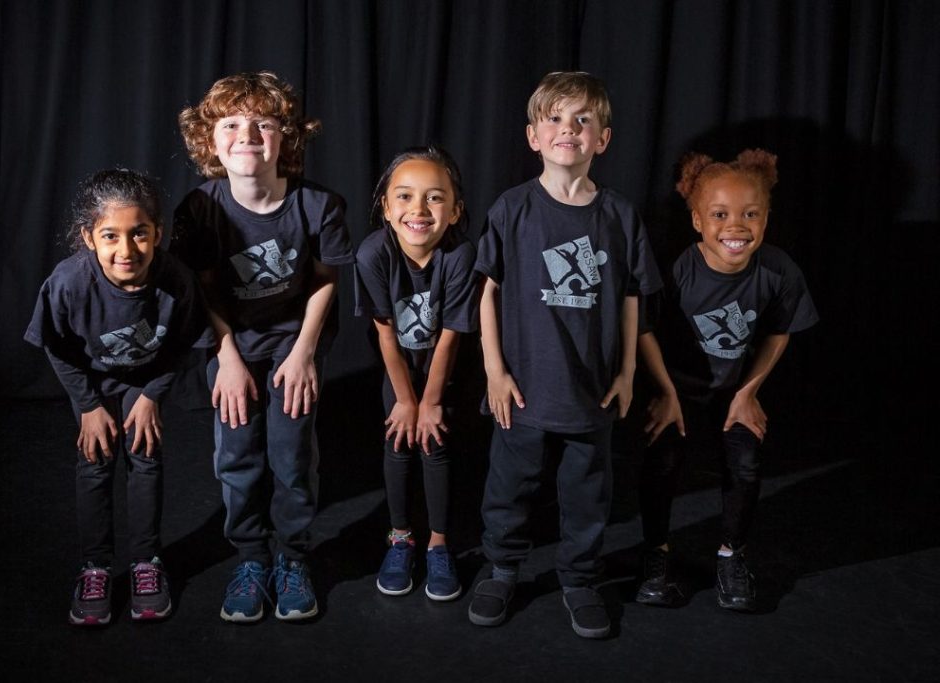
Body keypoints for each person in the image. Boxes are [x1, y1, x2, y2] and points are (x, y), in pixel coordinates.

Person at [468, 71, 662, 638]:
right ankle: (502, 569)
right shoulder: (512, 208)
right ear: (534, 136)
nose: (568, 129)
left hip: (591, 388)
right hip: (524, 386)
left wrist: (628, 372)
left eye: (583, 119)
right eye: (554, 118)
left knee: (587, 493)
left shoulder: (619, 215)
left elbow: (631, 295)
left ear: (603, 138)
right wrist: (494, 371)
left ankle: (579, 578)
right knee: (510, 487)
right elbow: (487, 291)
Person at [171, 71, 353, 623]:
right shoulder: (198, 209)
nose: (246, 135)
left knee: (292, 456)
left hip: (293, 343)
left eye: (263, 124)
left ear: (286, 138)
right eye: (230, 124)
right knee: (238, 455)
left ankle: (293, 558)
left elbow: (326, 278)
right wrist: (226, 358)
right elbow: (203, 288)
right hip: (231, 342)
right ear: (209, 140)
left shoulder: (318, 205)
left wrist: (304, 352)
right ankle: (251, 558)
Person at [633, 149, 818, 612]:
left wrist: (748, 392)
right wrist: (665, 393)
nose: (736, 226)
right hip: (677, 389)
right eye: (720, 215)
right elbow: (643, 329)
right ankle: (655, 553)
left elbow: (779, 332)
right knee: (662, 460)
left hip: (733, 391)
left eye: (750, 214)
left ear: (766, 218)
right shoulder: (677, 269)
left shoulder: (778, 270)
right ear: (698, 220)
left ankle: (731, 554)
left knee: (746, 462)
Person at [25, 168, 209, 626]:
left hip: (147, 381)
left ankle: (146, 561)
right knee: (96, 462)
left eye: (139, 234)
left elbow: (184, 343)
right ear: (89, 237)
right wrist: (88, 406)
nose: (126, 250)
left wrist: (152, 395)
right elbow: (57, 347)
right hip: (93, 382)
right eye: (111, 236)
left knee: (145, 457)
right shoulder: (69, 282)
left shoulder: (177, 280)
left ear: (158, 234)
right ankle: (96, 566)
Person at [354, 146, 479, 601]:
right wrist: (407, 401)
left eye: (434, 197)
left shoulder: (461, 255)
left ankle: (439, 544)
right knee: (399, 441)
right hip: (401, 370)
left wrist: (431, 402)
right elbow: (386, 334)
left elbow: (451, 335)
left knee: (435, 443)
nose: (419, 209)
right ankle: (401, 538)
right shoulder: (373, 254)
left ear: (455, 210)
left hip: (446, 370)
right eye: (404, 196)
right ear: (386, 208)